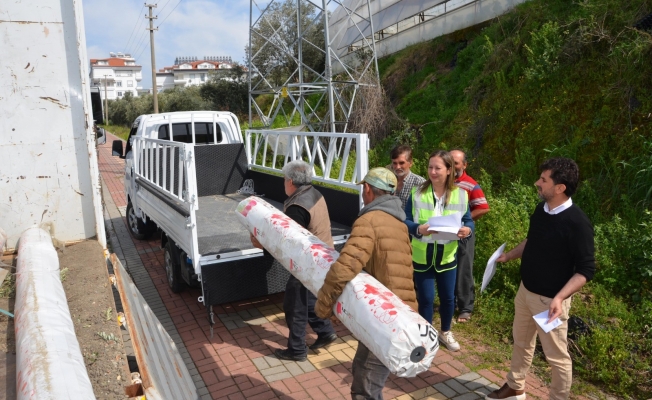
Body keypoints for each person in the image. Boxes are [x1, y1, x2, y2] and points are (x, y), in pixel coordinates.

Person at [486, 157, 595, 400]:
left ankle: (559, 397)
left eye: (543, 180)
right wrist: (509, 256)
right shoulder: (541, 210)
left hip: (550, 304)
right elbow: (531, 241)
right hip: (526, 292)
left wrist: (559, 297)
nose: (537, 183)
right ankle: (515, 386)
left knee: (557, 358)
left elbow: (586, 270)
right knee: (521, 343)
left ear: (560, 188)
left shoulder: (578, 223)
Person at [314, 167, 417, 400]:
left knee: (365, 389)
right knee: (362, 371)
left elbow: (344, 269)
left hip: (384, 318)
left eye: (363, 188)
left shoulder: (369, 221)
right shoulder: (398, 221)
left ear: (368, 189)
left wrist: (323, 306)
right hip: (398, 312)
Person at [250, 160, 338, 361]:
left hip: (309, 261)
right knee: (308, 298)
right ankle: (325, 332)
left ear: (290, 181)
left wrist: (261, 241)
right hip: (323, 255)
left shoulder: (298, 206)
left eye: (283, 179)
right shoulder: (313, 193)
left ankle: (297, 350)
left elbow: (289, 241)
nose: (283, 183)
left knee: (294, 304)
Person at [404, 150, 474, 352]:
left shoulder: (461, 194)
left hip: (447, 257)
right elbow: (406, 219)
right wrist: (418, 228)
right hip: (422, 255)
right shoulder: (417, 193)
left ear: (449, 170)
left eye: (437, 168)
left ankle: (445, 331)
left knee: (448, 298)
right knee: (425, 298)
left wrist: (467, 229)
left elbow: (468, 220)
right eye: (430, 167)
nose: (432, 172)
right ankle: (427, 335)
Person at [450, 149, 490, 323]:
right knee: (447, 267)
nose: (452, 166)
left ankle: (465, 308)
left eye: (456, 163)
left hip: (464, 234)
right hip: (445, 233)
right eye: (449, 162)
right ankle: (449, 304)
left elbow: (483, 207)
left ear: (464, 165)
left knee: (464, 270)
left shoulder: (470, 184)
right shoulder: (442, 181)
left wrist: (464, 221)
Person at [389, 145, 426, 210]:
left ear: (411, 163)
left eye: (401, 163)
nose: (398, 167)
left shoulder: (419, 183)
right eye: (395, 163)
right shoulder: (388, 182)